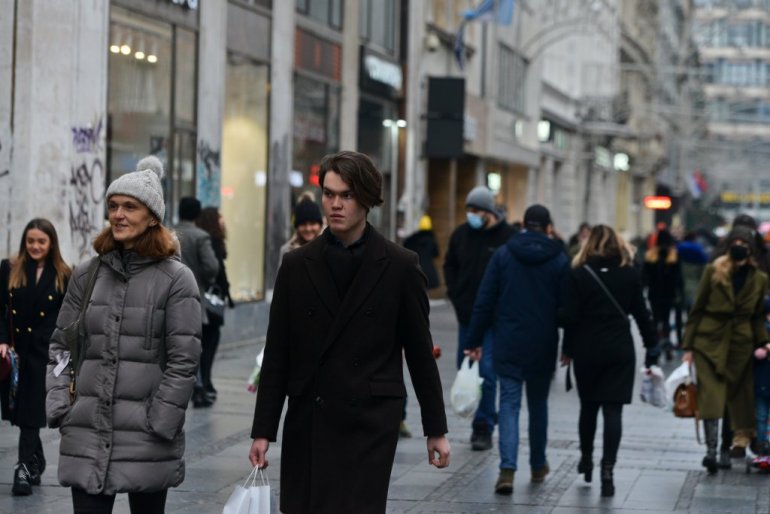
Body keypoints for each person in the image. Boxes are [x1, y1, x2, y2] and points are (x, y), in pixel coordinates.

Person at [249, 150, 449, 514]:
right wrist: (263, 430)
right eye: (329, 194)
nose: (335, 205)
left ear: (367, 200)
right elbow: (278, 353)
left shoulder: (400, 267)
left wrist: (436, 428)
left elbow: (421, 353)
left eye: (347, 195)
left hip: (369, 424)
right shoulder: (296, 265)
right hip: (310, 419)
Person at [46, 156, 201, 514]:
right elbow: (61, 347)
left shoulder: (177, 280)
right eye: (113, 206)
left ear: (153, 217)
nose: (118, 215)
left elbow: (184, 361)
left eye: (130, 207)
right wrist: (61, 405)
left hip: (147, 437)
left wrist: (159, 421)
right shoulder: (87, 274)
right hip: (86, 431)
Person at [464, 204, 569, 495]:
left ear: (523, 224)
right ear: (548, 228)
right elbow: (568, 307)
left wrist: (473, 340)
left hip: (508, 341)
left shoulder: (504, 255)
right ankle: (538, 465)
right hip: (542, 342)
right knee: (538, 405)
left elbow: (485, 300)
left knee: (509, 404)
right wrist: (569, 343)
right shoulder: (559, 258)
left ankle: (507, 470)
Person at [561, 225, 658, 497]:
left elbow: (570, 317)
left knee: (588, 407)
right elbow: (642, 313)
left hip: (587, 349)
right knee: (613, 412)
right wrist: (651, 346)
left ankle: (586, 458)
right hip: (619, 350)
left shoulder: (579, 273)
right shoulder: (630, 273)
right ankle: (608, 470)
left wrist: (567, 348)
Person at [682, 226, 769, 473]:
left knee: (733, 399)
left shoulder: (759, 279)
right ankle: (710, 450)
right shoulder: (713, 271)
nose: (740, 246)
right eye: (736, 242)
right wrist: (688, 346)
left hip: (740, 344)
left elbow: (757, 318)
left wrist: (763, 342)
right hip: (709, 340)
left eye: (745, 243)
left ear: (751, 248)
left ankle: (723, 449)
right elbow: (697, 309)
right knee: (711, 396)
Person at [0, 219, 71, 495]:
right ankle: (36, 460)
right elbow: (1, 309)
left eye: (41, 241)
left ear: (51, 243)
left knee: (29, 414)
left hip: (44, 355)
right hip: (16, 354)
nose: (35, 246)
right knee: (21, 413)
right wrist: (3, 340)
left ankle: (22, 471)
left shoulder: (63, 274)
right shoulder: (9, 268)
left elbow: (68, 318)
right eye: (30, 241)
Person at [443, 186, 515, 451]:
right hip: (467, 315)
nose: (471, 215)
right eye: (469, 209)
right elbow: (450, 265)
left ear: (488, 212)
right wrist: (455, 293)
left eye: (475, 210)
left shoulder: (507, 237)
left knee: (486, 371)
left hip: (493, 320)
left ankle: (483, 426)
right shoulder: (461, 235)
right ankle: (481, 417)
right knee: (465, 366)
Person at [173, 196, 219, 408]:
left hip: (169, 298)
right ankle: (198, 387)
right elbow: (212, 267)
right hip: (194, 298)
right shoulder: (201, 236)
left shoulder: (168, 233)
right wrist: (204, 279)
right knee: (194, 346)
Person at [195, 206, 234, 403]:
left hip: (199, 299)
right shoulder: (212, 241)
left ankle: (202, 382)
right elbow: (217, 270)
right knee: (210, 343)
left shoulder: (200, 238)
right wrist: (227, 291)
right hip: (211, 301)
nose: (222, 220)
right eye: (220, 216)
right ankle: (205, 382)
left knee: (202, 344)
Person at [642, 229, 683, 358]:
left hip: (654, 293)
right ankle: (666, 345)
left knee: (655, 320)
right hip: (669, 294)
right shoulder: (673, 255)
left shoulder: (651, 255)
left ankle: (655, 345)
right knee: (666, 320)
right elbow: (678, 277)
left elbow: (644, 276)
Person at [278, 191, 324, 265]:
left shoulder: (329, 248)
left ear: (320, 225)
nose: (308, 229)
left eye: (312, 223)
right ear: (297, 227)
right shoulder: (287, 251)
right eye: (303, 224)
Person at [403, 215, 440, 290]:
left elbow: (405, 246)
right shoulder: (431, 239)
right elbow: (436, 254)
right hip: (429, 270)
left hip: (416, 269)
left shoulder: (413, 238)